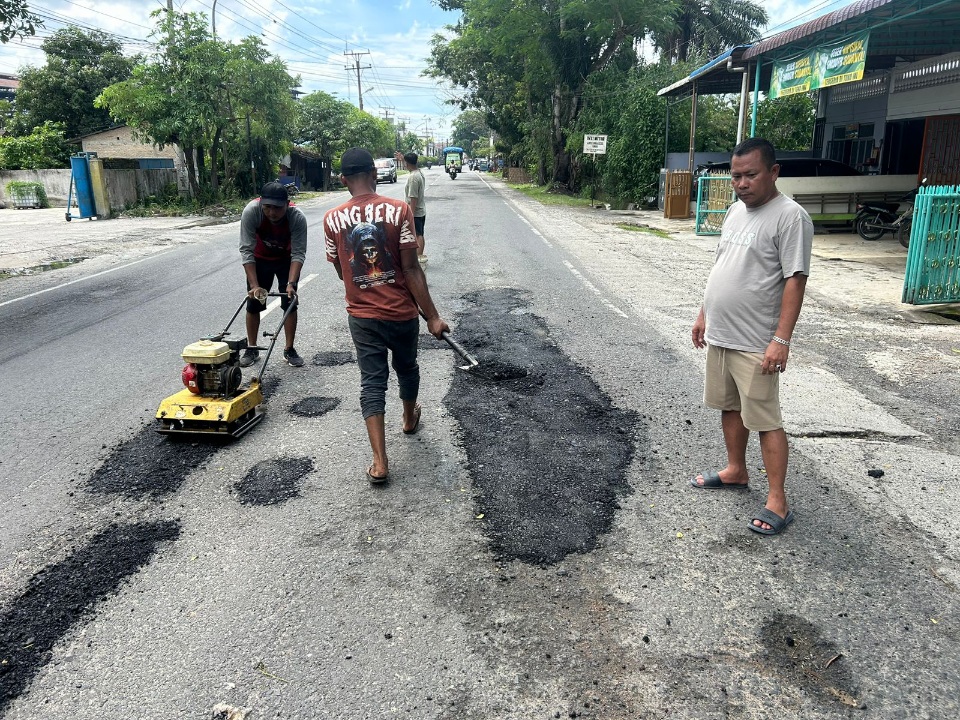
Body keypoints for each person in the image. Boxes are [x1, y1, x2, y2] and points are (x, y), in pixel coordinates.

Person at [690, 137, 813, 536]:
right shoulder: (733, 213)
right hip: (722, 332)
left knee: (765, 419)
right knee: (729, 407)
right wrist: (704, 314)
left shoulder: (790, 217)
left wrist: (782, 339)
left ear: (774, 172)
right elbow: (723, 265)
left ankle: (778, 499)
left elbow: (795, 280)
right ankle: (736, 470)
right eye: (736, 176)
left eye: (750, 175)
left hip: (756, 341)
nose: (741, 184)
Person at [324, 148, 450, 484]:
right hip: (402, 313)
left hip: (362, 316)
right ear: (375, 174)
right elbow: (410, 268)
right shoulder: (399, 210)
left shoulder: (331, 219)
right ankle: (409, 419)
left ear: (343, 180)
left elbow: (340, 270)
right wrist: (433, 317)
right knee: (407, 368)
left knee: (372, 382)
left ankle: (380, 463)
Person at [238, 181, 308, 368]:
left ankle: (289, 349)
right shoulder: (252, 212)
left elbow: (299, 253)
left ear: (287, 204)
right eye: (267, 207)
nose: (272, 213)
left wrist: (291, 283)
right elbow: (246, 250)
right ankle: (252, 348)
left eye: (277, 208)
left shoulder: (297, 217)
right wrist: (254, 286)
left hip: (286, 259)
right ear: (261, 203)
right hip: (260, 259)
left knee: (290, 302)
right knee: (254, 303)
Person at [396, 151, 428, 265]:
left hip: (416, 212)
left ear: (407, 163)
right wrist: (402, 159)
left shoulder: (413, 178)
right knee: (419, 234)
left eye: (405, 162)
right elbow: (409, 167)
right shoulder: (418, 172)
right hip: (421, 210)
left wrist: (410, 214)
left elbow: (413, 198)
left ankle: (419, 259)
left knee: (418, 235)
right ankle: (419, 257)